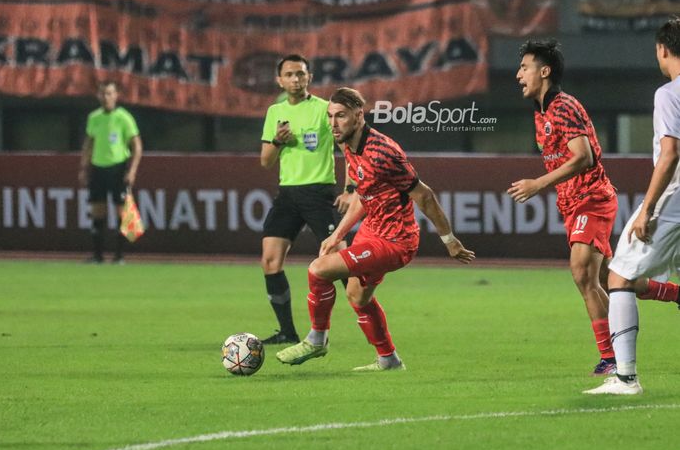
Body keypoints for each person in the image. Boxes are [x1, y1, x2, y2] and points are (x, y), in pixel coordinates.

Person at [509, 39, 680, 377]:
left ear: (544, 71)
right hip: (572, 203)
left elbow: (583, 156)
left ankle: (612, 359)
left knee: (582, 272)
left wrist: (538, 184)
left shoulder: (563, 106)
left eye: (524, 67)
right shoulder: (542, 111)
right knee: (612, 278)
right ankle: (674, 293)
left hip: (593, 198)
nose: (518, 75)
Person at [276, 87, 475, 371]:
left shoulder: (384, 152)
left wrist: (449, 240)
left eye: (341, 116)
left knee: (318, 270)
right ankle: (389, 360)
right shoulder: (346, 142)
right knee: (357, 296)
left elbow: (425, 195)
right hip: (372, 230)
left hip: (396, 240)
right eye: (330, 116)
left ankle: (317, 339)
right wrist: (338, 234)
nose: (333, 123)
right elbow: (364, 194)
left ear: (359, 116)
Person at [585, 17, 680, 395]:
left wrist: (648, 208)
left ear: (662, 49)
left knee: (619, 278)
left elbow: (670, 152)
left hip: (674, 200)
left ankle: (625, 377)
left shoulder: (668, 94)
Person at [259, 54, 352, 345]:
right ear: (280, 80)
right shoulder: (275, 112)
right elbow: (265, 161)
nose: (295, 79)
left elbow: (349, 150)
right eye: (289, 74)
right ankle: (287, 331)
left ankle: (367, 315)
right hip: (288, 194)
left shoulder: (325, 110)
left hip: (319, 193)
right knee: (270, 261)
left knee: (341, 262)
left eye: (300, 74)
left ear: (309, 77)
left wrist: (351, 189)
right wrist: (277, 141)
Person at [78, 81, 142, 264]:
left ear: (116, 95)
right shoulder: (94, 118)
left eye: (109, 94)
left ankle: (119, 256)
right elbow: (88, 144)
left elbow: (137, 146)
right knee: (98, 211)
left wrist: (132, 170)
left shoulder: (124, 118)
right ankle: (98, 256)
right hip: (98, 168)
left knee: (122, 212)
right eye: (103, 94)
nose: (106, 98)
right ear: (98, 96)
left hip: (118, 168)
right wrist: (84, 168)